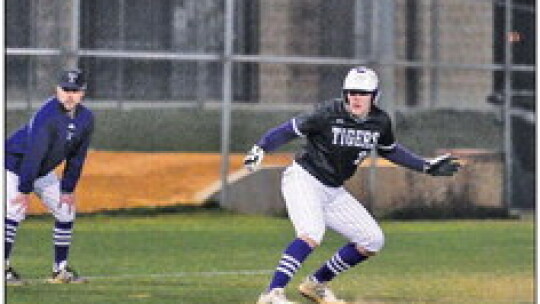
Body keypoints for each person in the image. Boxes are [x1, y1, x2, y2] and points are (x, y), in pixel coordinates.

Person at [244, 66, 460, 304]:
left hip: (332, 189)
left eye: (363, 93)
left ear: (374, 96)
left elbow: (391, 150)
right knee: (311, 233)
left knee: (372, 239)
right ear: (344, 93)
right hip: (304, 178)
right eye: (351, 92)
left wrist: (425, 166)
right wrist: (261, 148)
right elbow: (289, 130)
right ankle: (272, 294)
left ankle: (315, 284)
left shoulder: (380, 121)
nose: (356, 98)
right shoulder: (327, 113)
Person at [5, 69, 94, 285]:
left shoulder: (86, 118)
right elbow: (34, 154)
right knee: (14, 210)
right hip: (14, 165)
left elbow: (77, 158)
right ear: (57, 91)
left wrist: (68, 189)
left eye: (75, 90)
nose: (69, 95)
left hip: (41, 172)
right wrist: (24, 190)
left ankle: (60, 270)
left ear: (83, 94)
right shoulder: (47, 115)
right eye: (65, 90)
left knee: (66, 210)